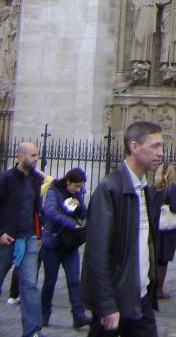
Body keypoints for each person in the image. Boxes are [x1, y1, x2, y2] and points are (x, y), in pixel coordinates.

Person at [80, 120, 165, 337]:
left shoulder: (142, 188)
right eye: (155, 146)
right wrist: (107, 304)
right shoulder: (109, 189)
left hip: (141, 298)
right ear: (134, 147)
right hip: (117, 299)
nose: (161, 153)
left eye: (161, 146)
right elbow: (97, 254)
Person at [0, 141, 44, 337]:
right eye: (33, 155)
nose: (36, 159)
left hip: (29, 238)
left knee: (30, 286)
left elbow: (36, 209)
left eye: (37, 155)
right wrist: (1, 232)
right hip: (7, 239)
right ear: (20, 156)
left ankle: (33, 331)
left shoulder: (35, 180)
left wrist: (38, 234)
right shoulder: (6, 179)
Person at [41, 167, 89, 328]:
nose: (78, 189)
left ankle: (78, 315)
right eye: (76, 186)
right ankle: (44, 314)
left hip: (69, 243)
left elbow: (83, 214)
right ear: (68, 181)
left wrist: (79, 205)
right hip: (53, 242)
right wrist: (71, 223)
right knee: (50, 280)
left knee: (74, 280)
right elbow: (51, 213)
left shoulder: (77, 193)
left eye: (80, 187)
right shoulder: (54, 190)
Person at [152, 162, 176, 299]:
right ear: (170, 173)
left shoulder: (153, 187)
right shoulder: (171, 187)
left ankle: (152, 287)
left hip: (155, 226)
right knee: (163, 260)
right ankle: (159, 289)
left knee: (155, 257)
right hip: (166, 228)